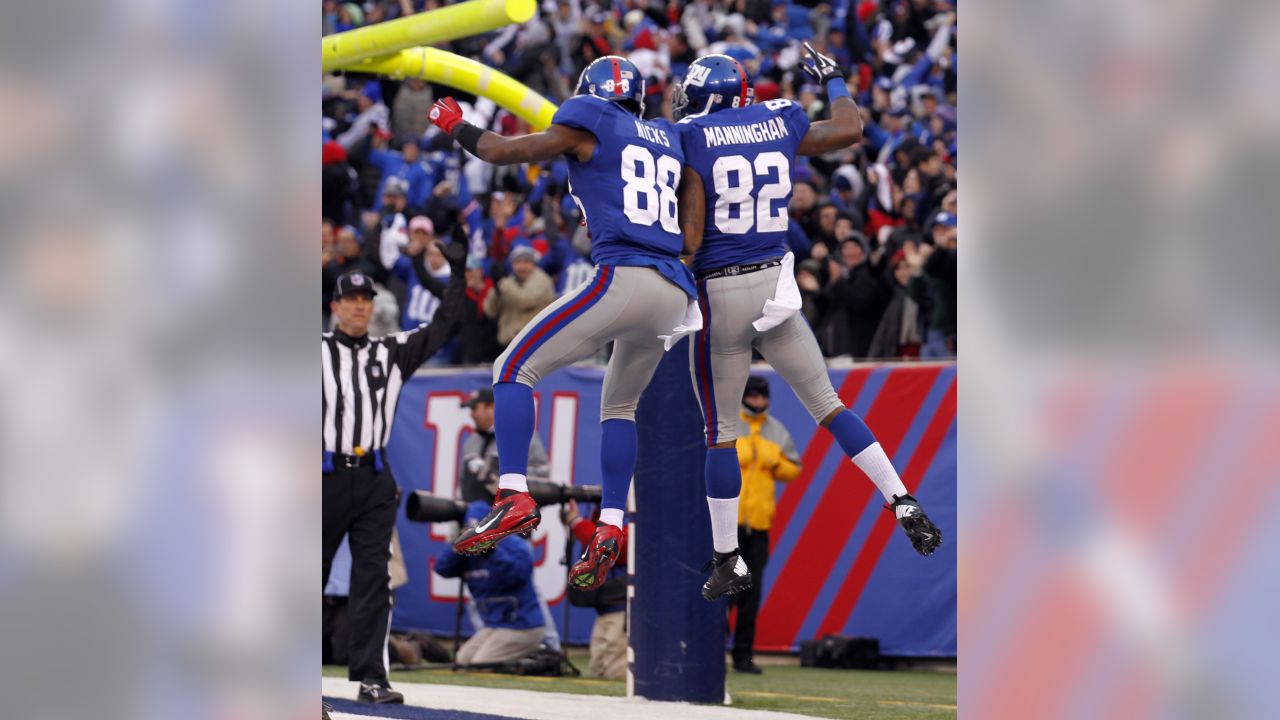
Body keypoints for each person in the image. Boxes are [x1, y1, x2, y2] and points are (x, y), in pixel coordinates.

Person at [667, 48, 942, 601]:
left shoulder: (690, 136)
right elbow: (848, 127)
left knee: (720, 434)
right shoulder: (779, 117)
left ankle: (727, 559)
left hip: (719, 292)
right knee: (829, 405)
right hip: (776, 286)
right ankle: (901, 497)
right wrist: (836, 79)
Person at [428, 56, 700, 594]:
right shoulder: (669, 135)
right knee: (620, 406)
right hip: (676, 291)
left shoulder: (590, 117)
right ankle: (611, 527)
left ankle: (513, 494)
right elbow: (694, 195)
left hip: (626, 273)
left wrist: (452, 121)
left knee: (512, 367)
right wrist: (686, 255)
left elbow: (501, 151)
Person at [322, 234, 466, 704]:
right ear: (335, 306)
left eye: (366, 300)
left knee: (373, 580)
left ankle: (372, 677)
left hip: (374, 480)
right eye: (352, 300)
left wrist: (458, 277)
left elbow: (445, 326)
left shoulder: (392, 351)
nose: (360, 308)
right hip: (323, 477)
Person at [730, 376, 800, 674]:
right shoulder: (731, 422)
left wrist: (774, 461)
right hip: (729, 524)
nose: (758, 402)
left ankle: (743, 656)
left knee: (751, 594)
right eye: (754, 396)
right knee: (723, 592)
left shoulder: (777, 430)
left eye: (762, 397)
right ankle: (708, 649)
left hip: (758, 526)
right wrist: (742, 451)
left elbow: (793, 469)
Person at [435, 502, 546, 667]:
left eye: (480, 529)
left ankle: (535, 657)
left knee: (480, 664)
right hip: (494, 626)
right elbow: (442, 568)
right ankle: (524, 658)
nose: (476, 534)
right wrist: (456, 544)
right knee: (462, 660)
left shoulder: (513, 544)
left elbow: (518, 574)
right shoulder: (468, 550)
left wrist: (491, 549)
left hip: (523, 626)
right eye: (472, 529)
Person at [559, 499, 627, 680]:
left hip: (624, 606)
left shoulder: (637, 517)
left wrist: (576, 522)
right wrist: (600, 510)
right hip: (605, 605)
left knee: (616, 670)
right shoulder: (605, 517)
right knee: (598, 667)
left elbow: (612, 547)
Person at [457, 388, 549, 504]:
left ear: (491, 407)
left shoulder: (519, 433)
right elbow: (462, 483)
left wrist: (504, 480)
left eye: (475, 408)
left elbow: (542, 475)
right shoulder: (471, 442)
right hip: (474, 517)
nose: (471, 414)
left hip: (511, 513)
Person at [482, 245, 556, 348]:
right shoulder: (509, 281)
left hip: (535, 344)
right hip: (508, 344)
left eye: (526, 262)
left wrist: (503, 285)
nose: (521, 267)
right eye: (517, 262)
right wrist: (496, 290)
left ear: (533, 264)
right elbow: (490, 311)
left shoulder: (542, 280)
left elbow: (527, 300)